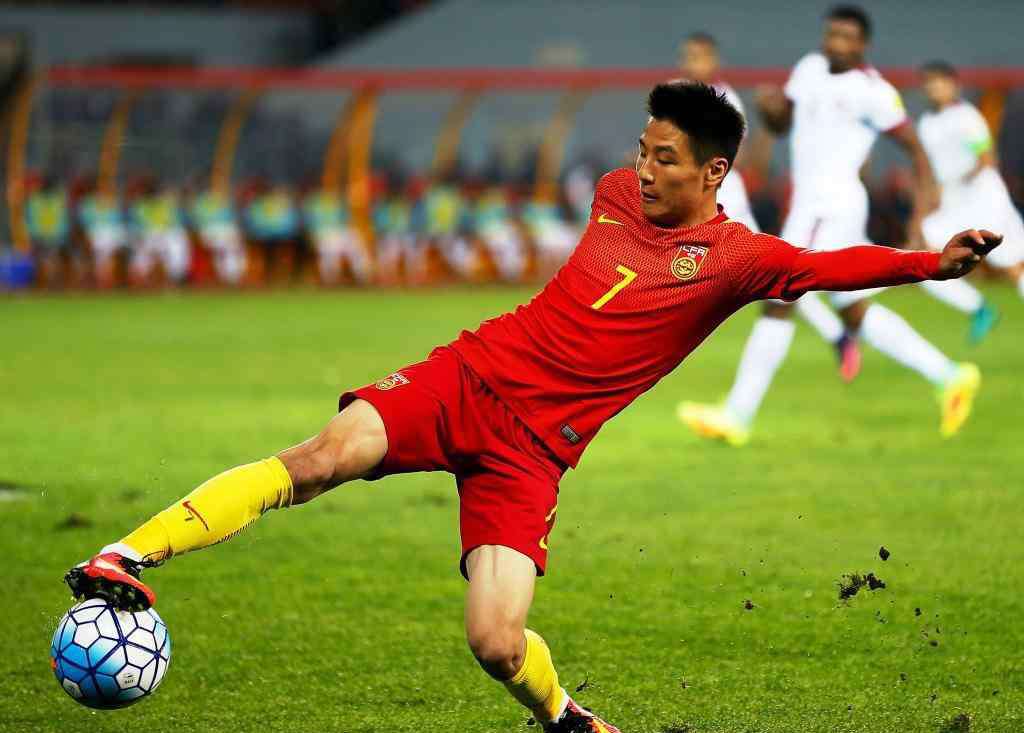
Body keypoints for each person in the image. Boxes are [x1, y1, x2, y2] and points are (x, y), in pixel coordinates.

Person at [65, 82, 999, 733]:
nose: (641, 169)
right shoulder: (611, 195)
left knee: (496, 641)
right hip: (469, 377)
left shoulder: (737, 260)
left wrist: (932, 261)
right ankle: (127, 554)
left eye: (665, 158)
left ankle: (564, 716)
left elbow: (829, 266)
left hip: (533, 455)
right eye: (640, 150)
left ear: (714, 172)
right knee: (321, 458)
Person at [678, 5, 979, 447]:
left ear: (863, 44)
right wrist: (770, 109)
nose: (836, 43)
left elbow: (914, 149)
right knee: (853, 310)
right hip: (811, 206)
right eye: (831, 34)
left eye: (846, 37)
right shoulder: (809, 69)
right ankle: (950, 376)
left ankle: (737, 415)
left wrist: (919, 214)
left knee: (778, 295)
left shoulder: (873, 91)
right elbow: (781, 124)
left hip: (832, 206)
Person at [676, 30, 857, 385]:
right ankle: (838, 336)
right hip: (690, 197)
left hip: (723, 199)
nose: (693, 63)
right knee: (762, 280)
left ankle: (839, 336)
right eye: (688, 56)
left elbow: (732, 155)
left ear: (713, 61)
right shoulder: (674, 94)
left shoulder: (724, 100)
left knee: (768, 278)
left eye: (700, 56)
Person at [915, 60, 1024, 340]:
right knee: (926, 260)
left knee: (1012, 266)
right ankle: (979, 308)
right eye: (929, 83)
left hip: (984, 198)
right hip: (954, 205)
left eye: (939, 82)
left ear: (953, 85)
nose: (934, 88)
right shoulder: (926, 123)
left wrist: (954, 183)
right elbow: (930, 170)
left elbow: (986, 159)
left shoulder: (966, 117)